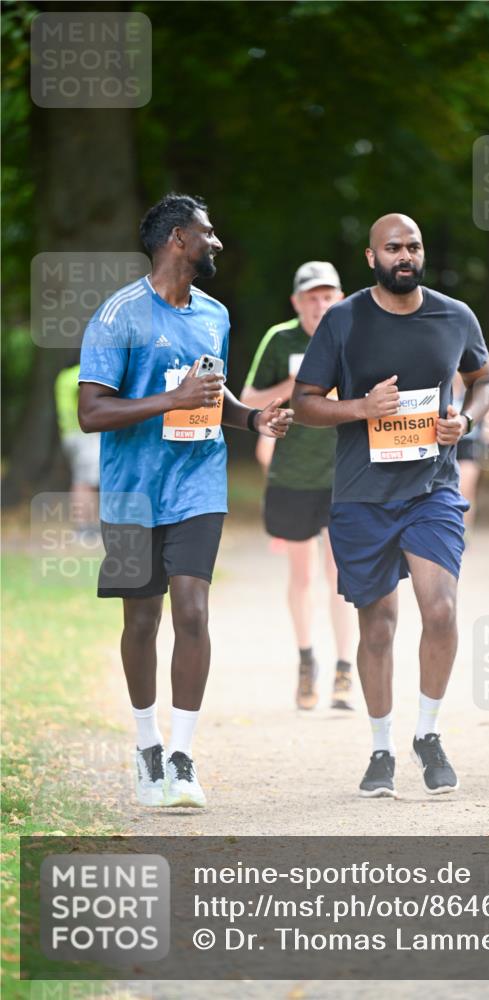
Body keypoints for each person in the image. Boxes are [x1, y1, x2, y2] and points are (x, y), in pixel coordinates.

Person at [78, 193, 292, 809]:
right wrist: (171, 401)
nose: (216, 241)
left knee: (193, 613)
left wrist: (254, 420)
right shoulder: (117, 316)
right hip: (132, 493)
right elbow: (91, 412)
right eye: (207, 231)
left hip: (198, 483)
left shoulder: (214, 315)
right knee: (142, 621)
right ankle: (147, 743)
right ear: (177, 238)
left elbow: (211, 396)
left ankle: (182, 755)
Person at [292, 214, 489, 797]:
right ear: (371, 257)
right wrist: (361, 407)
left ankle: (427, 734)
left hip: (432, 488)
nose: (405, 256)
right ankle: (381, 747)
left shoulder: (455, 316)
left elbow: (485, 381)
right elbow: (304, 403)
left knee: (441, 610)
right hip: (362, 494)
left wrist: (466, 420)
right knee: (378, 626)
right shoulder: (344, 319)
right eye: (393, 248)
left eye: (413, 247)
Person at [241, 262, 356, 711]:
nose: (319, 305)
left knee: (340, 574)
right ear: (296, 302)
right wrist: (293, 385)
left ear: (340, 299)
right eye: (311, 297)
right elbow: (247, 400)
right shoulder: (279, 339)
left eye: (327, 296)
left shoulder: (353, 335)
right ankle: (307, 661)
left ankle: (344, 670)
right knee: (302, 575)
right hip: (292, 476)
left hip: (344, 475)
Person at [55, 363, 101, 535]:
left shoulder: (63, 376)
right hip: (84, 435)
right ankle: (85, 526)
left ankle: (89, 524)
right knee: (86, 482)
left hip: (68, 434)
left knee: (81, 480)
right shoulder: (83, 373)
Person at [452, 371, 489, 532]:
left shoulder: (473, 391)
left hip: (467, 443)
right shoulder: (439, 390)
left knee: (465, 488)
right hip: (441, 445)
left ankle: (464, 532)